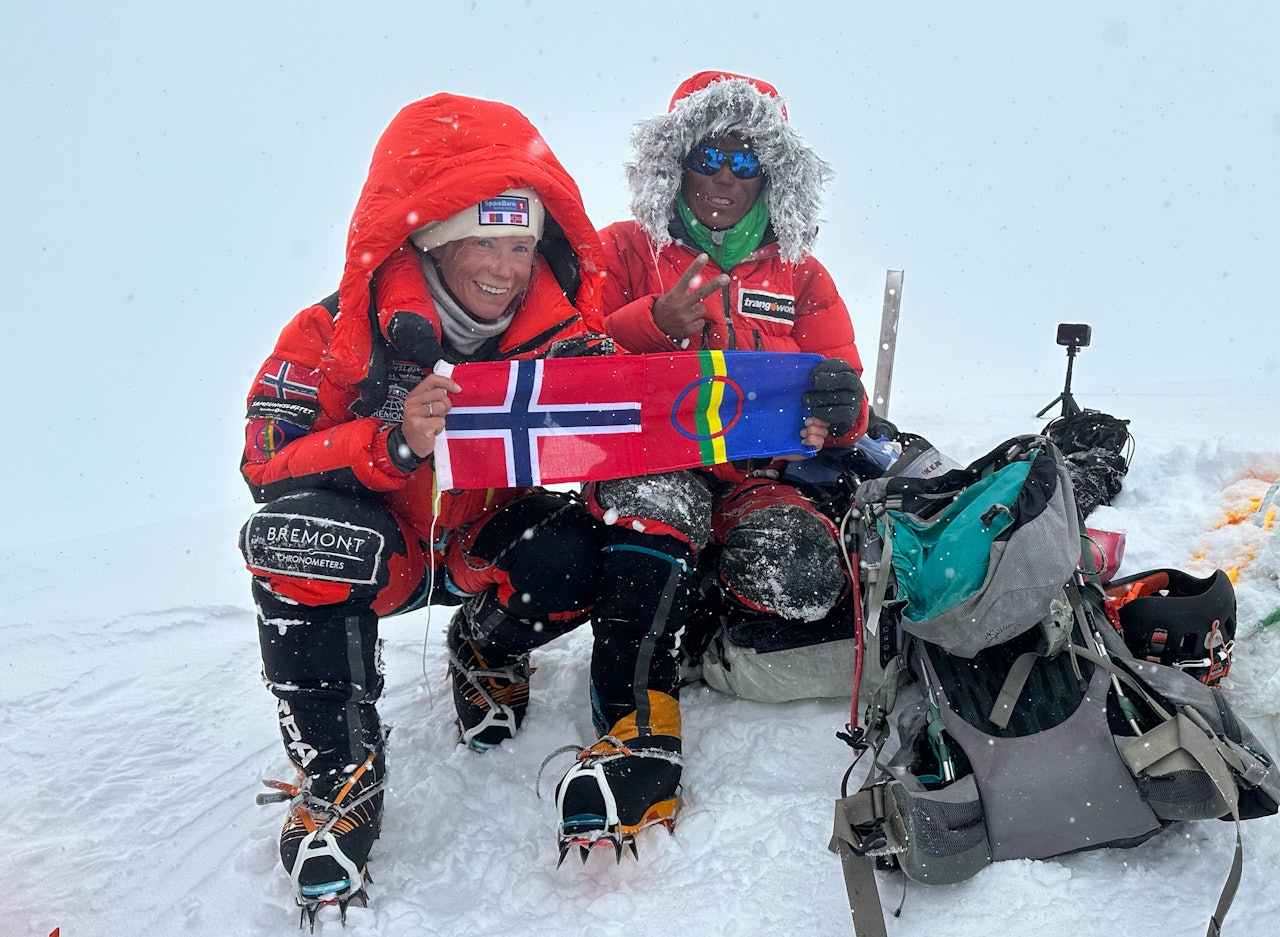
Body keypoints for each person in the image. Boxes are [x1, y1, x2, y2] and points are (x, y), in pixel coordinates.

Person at [239, 93, 611, 919]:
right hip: (386, 550)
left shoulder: (564, 337)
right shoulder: (333, 332)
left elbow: (649, 412)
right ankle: (339, 768)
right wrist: (389, 443)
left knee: (591, 547)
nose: (508, 267)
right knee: (294, 535)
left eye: (524, 244)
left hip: (484, 540)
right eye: (487, 239)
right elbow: (263, 461)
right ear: (434, 237)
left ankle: (486, 647)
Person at [583, 71, 870, 715]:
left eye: (746, 161)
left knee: (805, 578)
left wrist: (842, 408)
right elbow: (570, 364)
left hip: (758, 477)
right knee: (654, 526)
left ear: (771, 176)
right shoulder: (623, 249)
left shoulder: (801, 272)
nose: (724, 177)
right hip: (651, 464)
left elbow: (848, 401)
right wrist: (651, 325)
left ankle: (702, 619)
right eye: (707, 156)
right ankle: (633, 719)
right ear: (675, 165)